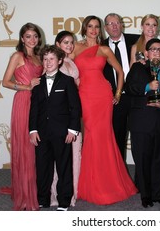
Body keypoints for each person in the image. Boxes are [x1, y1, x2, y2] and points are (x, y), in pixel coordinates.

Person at [73, 15, 137, 205]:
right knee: (91, 136)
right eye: (90, 26)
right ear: (84, 28)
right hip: (85, 96)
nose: (93, 30)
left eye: (96, 27)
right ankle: (90, 181)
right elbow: (63, 65)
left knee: (103, 137)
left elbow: (120, 71)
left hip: (102, 97)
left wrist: (117, 93)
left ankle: (106, 182)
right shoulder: (75, 47)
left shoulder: (104, 49)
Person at [125, 38, 160, 208]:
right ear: (147, 53)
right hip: (141, 122)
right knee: (142, 160)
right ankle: (146, 195)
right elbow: (130, 88)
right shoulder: (137, 68)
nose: (157, 52)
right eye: (153, 49)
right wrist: (147, 87)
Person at [29, 45, 82, 211]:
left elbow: (75, 108)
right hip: (42, 133)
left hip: (62, 133)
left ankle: (64, 200)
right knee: (42, 167)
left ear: (59, 61)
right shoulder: (37, 83)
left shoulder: (67, 81)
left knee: (63, 167)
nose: (48, 62)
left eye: (52, 59)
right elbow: (34, 109)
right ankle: (43, 199)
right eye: (45, 59)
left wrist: (72, 130)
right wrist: (32, 130)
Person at [1, 22, 43, 210]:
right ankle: (25, 194)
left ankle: (35, 189)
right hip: (24, 101)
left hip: (38, 104)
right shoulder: (18, 56)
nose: (32, 39)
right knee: (26, 147)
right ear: (22, 38)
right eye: (28, 36)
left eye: (35, 36)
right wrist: (27, 86)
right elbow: (5, 82)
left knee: (36, 148)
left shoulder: (38, 57)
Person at [47, 31, 82, 207]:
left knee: (71, 157)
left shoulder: (69, 61)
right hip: (65, 121)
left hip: (71, 117)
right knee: (63, 160)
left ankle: (68, 193)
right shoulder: (58, 65)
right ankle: (59, 194)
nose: (69, 45)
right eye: (65, 42)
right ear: (57, 44)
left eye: (71, 42)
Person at [103, 13, 140, 160]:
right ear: (105, 27)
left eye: (117, 23)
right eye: (110, 24)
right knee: (118, 139)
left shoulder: (136, 40)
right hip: (115, 99)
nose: (114, 26)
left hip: (136, 96)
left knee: (140, 137)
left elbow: (155, 48)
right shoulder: (100, 46)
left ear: (122, 24)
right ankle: (120, 174)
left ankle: (142, 177)